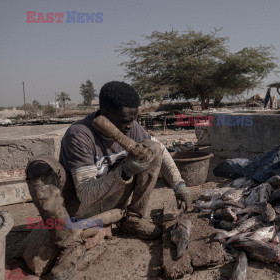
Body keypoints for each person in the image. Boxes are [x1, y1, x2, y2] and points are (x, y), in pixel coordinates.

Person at [24, 81, 190, 280]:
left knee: (151, 149)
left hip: (113, 200)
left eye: (134, 119)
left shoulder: (132, 128)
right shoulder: (79, 135)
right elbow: (85, 195)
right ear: (105, 112)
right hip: (77, 207)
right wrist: (125, 172)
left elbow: (161, 152)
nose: (130, 125)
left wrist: (179, 185)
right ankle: (67, 243)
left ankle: (133, 219)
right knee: (40, 166)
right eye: (124, 120)